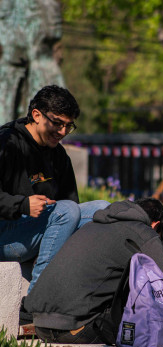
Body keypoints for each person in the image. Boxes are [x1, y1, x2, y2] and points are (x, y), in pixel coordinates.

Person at [24, 198, 163, 346]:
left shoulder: (92, 225)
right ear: (155, 225)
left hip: (41, 326)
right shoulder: (144, 232)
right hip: (75, 329)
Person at [0, 85, 109, 292]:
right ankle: (36, 299)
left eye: (68, 126)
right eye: (57, 123)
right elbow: (65, 210)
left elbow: (72, 204)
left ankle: (95, 289)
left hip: (38, 230)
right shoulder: (7, 142)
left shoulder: (57, 154)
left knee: (102, 210)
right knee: (65, 210)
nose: (63, 132)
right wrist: (21, 205)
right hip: (6, 235)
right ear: (36, 115)